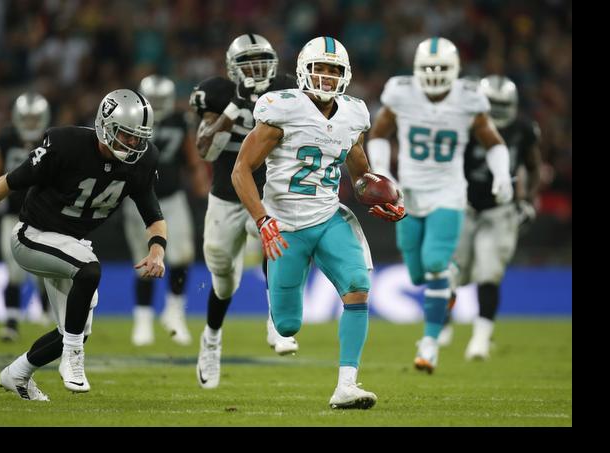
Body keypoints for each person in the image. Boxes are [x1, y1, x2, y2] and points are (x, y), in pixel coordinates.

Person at [0, 89, 165, 400]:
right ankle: (73, 359)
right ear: (105, 126)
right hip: (33, 235)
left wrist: (157, 250)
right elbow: (10, 181)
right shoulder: (66, 144)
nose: (134, 144)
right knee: (89, 270)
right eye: (127, 134)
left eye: (139, 137)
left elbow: (153, 214)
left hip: (71, 244)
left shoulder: (142, 161)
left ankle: (16, 374)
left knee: (76, 329)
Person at [233, 36, 404, 408]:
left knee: (358, 287)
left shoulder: (353, 114)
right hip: (283, 226)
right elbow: (241, 169)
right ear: (303, 71)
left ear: (346, 75)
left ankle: (347, 385)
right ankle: (278, 313)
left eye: (334, 70)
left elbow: (360, 173)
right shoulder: (282, 109)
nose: (326, 76)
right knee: (287, 324)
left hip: (328, 217)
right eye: (320, 68)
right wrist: (261, 220)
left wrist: (382, 197)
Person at [367, 37, 513, 374]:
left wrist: (502, 174)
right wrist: (384, 170)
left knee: (434, 263)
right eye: (429, 68)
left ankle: (430, 343)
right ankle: (450, 277)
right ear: (417, 68)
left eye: (441, 68)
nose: (434, 74)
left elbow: (493, 141)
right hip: (408, 193)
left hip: (448, 193)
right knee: (418, 275)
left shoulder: (468, 97)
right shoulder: (401, 92)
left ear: (455, 69)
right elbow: (379, 133)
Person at [190, 33, 299, 389]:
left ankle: (276, 321)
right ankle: (211, 339)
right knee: (223, 280)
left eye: (261, 62)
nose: (255, 70)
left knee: (277, 244)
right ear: (232, 68)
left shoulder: (287, 89)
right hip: (225, 195)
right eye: (247, 63)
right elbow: (206, 150)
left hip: (266, 192)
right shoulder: (217, 93)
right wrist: (236, 106)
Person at [441, 75, 542, 359]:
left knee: (489, 272)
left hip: (500, 209)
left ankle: (481, 339)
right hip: (462, 205)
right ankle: (442, 324)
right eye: (492, 103)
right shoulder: (464, 122)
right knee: (450, 271)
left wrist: (528, 200)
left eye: (502, 104)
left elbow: (534, 166)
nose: (497, 110)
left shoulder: (523, 129)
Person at [123, 74, 207, 346]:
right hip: (137, 199)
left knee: (182, 256)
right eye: (154, 100)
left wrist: (201, 185)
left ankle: (174, 312)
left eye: (162, 100)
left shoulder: (178, 121)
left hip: (171, 196)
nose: (158, 105)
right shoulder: (130, 120)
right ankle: (143, 319)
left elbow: (190, 156)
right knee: (144, 262)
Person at [0, 91, 53, 341]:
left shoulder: (51, 139)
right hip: (13, 213)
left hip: (42, 215)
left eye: (35, 118)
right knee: (13, 268)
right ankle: (11, 321)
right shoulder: (7, 137)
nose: (30, 123)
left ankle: (46, 310)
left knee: (41, 271)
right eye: (26, 118)